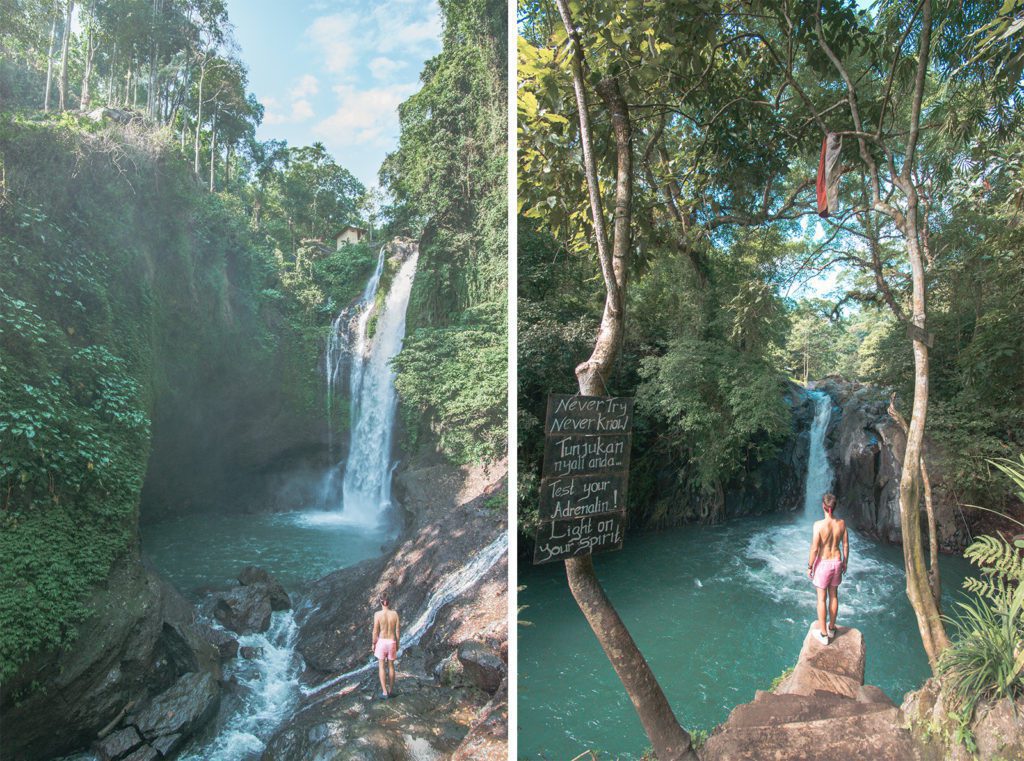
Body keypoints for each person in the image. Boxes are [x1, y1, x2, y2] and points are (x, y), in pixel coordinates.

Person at [807, 493, 848, 645]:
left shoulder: (818, 525)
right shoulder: (842, 523)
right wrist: (845, 562)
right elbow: (845, 545)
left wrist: (810, 566)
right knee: (834, 596)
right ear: (834, 507)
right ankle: (832, 627)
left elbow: (814, 549)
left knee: (821, 599)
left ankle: (823, 634)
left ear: (823, 507)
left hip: (823, 563)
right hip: (837, 561)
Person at [372, 592, 400, 698]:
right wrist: (398, 643)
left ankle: (384, 692)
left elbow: (375, 631)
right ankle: (391, 691)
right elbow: (397, 631)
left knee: (381, 666)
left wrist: (373, 643)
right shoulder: (395, 614)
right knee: (391, 666)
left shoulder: (377, 615)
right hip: (392, 641)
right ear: (389, 602)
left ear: (381, 602)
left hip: (382, 641)